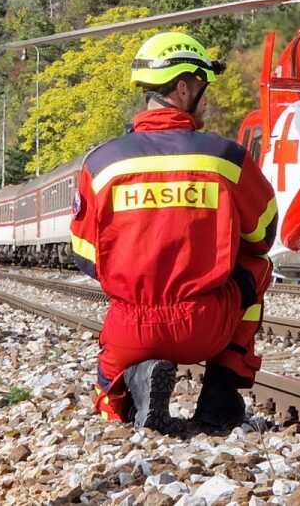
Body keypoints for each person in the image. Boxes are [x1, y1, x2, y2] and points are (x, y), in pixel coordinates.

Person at [71, 31, 276, 431]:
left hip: (129, 330)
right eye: (202, 85)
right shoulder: (225, 158)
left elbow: (87, 257)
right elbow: (263, 236)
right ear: (182, 88)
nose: (206, 96)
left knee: (108, 408)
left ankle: (135, 380)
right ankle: (220, 396)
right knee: (257, 268)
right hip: (206, 326)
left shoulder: (100, 163)